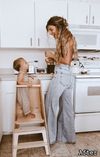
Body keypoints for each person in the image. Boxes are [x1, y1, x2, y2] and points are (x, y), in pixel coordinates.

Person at [45, 16, 78, 144]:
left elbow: (66, 60)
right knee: (67, 109)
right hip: (68, 76)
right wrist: (53, 59)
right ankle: (67, 137)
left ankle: (50, 139)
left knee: (50, 106)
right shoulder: (68, 37)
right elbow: (66, 61)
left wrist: (51, 55)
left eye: (51, 29)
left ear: (57, 26)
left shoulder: (65, 39)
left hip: (61, 75)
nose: (50, 33)